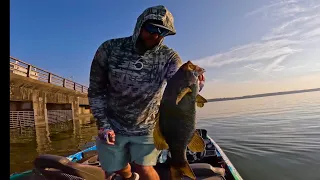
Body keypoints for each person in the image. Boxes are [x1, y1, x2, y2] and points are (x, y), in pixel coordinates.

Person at [88, 5, 204, 180]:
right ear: (140, 24)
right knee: (116, 168)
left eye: (162, 32)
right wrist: (103, 124)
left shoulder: (169, 57)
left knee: (144, 168)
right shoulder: (109, 49)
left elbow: (176, 84)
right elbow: (96, 90)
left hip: (148, 127)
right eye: (151, 28)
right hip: (112, 125)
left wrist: (195, 85)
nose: (156, 35)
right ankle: (128, 177)